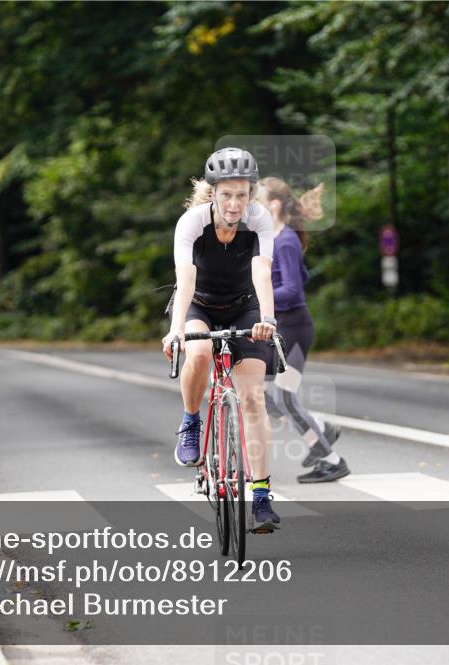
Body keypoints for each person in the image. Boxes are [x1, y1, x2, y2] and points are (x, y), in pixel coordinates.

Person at [162, 147, 281, 532]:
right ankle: (191, 421)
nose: (234, 203)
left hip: (245, 307)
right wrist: (177, 329)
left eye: (242, 194)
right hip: (199, 306)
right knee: (197, 350)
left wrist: (267, 319)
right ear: (212, 192)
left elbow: (262, 270)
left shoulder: (259, 220)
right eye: (226, 193)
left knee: (252, 398)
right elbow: (186, 279)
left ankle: (261, 496)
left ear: (251, 195)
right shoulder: (191, 223)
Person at [253, 177, 350, 483]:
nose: (252, 206)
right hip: (280, 329)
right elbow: (302, 275)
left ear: (274, 205)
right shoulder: (274, 239)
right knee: (258, 392)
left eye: (257, 200)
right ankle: (322, 429)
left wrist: (259, 298)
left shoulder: (285, 241)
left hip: (294, 329)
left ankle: (332, 461)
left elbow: (293, 291)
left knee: (283, 398)